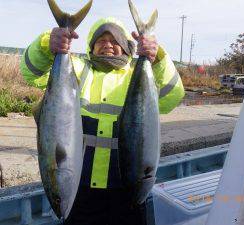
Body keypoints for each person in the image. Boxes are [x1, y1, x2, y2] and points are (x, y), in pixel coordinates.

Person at [20, 17, 185, 225]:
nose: (107, 45)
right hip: (79, 188)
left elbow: (173, 96)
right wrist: (46, 45)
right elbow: (30, 73)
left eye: (114, 41)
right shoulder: (77, 68)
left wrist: (158, 58)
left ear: (126, 47)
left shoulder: (139, 73)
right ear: (91, 46)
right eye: (100, 40)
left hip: (126, 187)